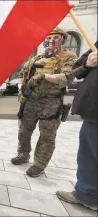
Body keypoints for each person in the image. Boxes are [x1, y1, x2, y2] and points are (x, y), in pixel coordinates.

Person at [11, 27, 77, 177]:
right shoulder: (36, 58)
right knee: (24, 131)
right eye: (48, 37)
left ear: (63, 39)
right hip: (30, 101)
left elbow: (67, 78)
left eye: (56, 37)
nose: (51, 40)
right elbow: (22, 75)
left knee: (47, 136)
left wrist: (43, 76)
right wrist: (21, 86)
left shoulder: (69, 57)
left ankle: (39, 164)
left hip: (51, 103)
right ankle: (23, 154)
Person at [56, 41, 97, 211]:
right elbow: (79, 66)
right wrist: (89, 63)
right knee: (88, 156)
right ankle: (87, 193)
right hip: (93, 112)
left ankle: (89, 195)